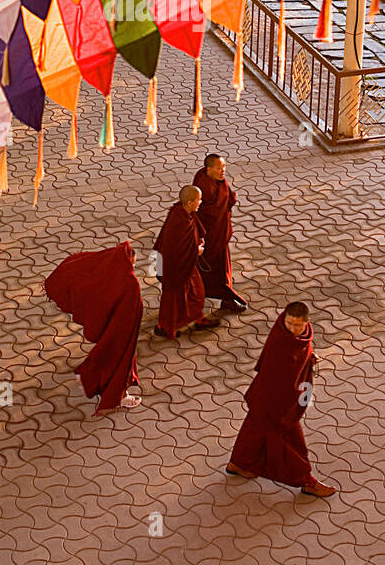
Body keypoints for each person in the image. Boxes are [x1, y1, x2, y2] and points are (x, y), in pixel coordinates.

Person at [226, 301, 336, 497]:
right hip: (276, 401)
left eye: (297, 325)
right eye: (289, 323)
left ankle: (239, 463)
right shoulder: (281, 340)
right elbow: (277, 372)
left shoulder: (301, 336)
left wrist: (310, 356)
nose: (292, 328)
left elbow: (299, 355)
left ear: (307, 323)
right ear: (283, 318)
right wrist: (285, 410)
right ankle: (305, 480)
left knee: (254, 430)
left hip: (268, 399)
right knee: (291, 442)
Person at [44, 241, 143, 414]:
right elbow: (132, 309)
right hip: (121, 332)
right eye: (133, 264)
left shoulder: (108, 273)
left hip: (110, 327)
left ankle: (91, 379)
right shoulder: (129, 283)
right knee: (119, 364)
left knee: (110, 357)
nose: (133, 268)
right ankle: (117, 396)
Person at [153, 186, 221, 338]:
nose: (201, 202)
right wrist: (196, 252)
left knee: (196, 292)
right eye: (199, 200)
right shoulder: (178, 221)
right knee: (173, 300)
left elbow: (193, 232)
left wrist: (198, 240)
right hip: (174, 268)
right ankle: (165, 327)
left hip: (185, 265)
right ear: (190, 202)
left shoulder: (184, 212)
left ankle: (197, 318)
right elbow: (175, 249)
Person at [193, 153, 247, 312]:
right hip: (210, 236)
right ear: (209, 169)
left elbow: (227, 199)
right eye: (219, 168)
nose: (223, 171)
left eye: (224, 167)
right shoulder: (204, 186)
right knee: (216, 271)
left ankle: (223, 298)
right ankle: (224, 299)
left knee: (220, 269)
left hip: (219, 234)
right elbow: (212, 211)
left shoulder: (217, 181)